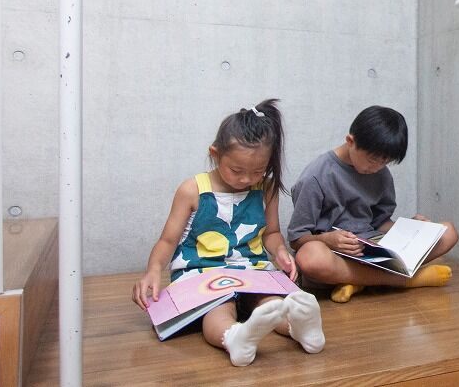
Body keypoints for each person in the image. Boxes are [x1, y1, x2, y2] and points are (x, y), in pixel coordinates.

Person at [131, 99, 326, 366]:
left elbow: (271, 233)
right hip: (202, 271)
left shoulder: (266, 188)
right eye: (237, 170)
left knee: (271, 303)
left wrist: (280, 251)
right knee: (219, 307)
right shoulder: (192, 190)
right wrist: (153, 269)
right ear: (215, 153)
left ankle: (300, 328)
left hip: (251, 268)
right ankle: (234, 337)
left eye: (258, 171)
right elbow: (168, 240)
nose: (246, 179)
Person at [289, 105, 459, 303]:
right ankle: (405, 280)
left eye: (384, 163)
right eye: (372, 160)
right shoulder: (316, 177)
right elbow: (297, 238)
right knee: (310, 258)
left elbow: (381, 222)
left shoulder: (380, 173)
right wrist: (328, 240)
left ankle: (356, 282)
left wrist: (411, 227)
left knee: (447, 232)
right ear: (350, 141)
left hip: (373, 247)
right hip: (338, 254)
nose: (377, 168)